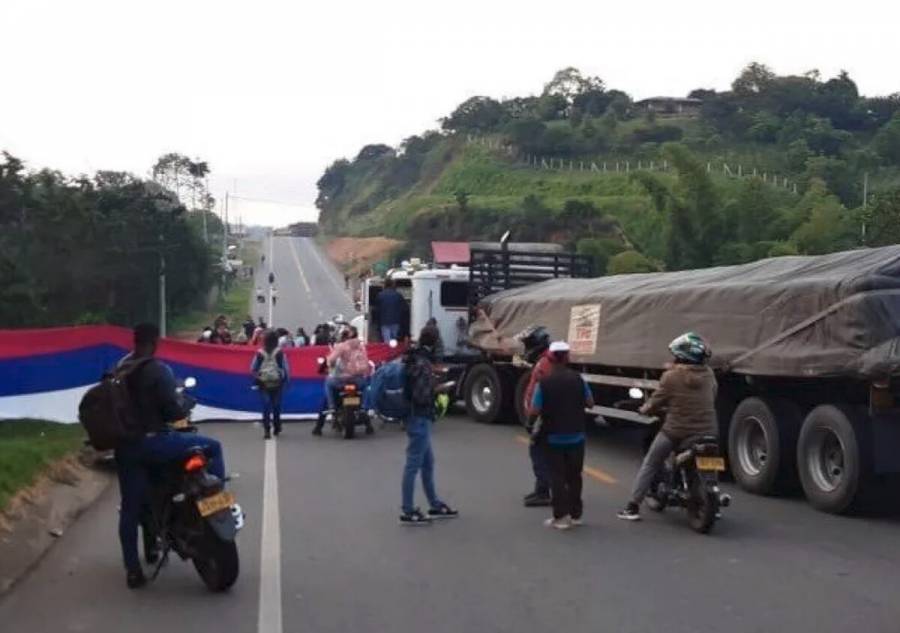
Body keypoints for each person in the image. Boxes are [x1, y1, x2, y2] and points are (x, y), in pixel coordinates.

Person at [114, 323, 226, 589]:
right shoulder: (157, 370)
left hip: (127, 449)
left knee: (129, 509)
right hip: (157, 443)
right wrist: (183, 406)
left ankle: (132, 570)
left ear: (134, 341)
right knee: (214, 446)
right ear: (154, 342)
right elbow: (173, 413)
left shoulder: (120, 369)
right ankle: (217, 503)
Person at [618, 332, 717, 522]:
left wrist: (644, 409)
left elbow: (655, 402)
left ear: (681, 356)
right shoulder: (709, 375)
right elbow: (713, 395)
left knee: (651, 462)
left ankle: (632, 506)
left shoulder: (671, 377)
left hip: (676, 430)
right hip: (708, 430)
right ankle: (713, 503)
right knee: (710, 465)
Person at [530, 341, 594, 530]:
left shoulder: (545, 383)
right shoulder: (578, 379)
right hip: (577, 436)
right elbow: (590, 403)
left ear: (550, 358)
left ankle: (560, 517)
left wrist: (531, 425)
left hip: (553, 437)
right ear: (567, 358)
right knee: (575, 477)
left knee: (556, 476)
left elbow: (535, 409)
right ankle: (576, 515)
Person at [399, 326, 458, 525]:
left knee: (427, 463)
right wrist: (439, 388)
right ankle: (408, 510)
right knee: (413, 466)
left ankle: (434, 503)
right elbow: (422, 395)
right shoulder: (423, 363)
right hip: (420, 417)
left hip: (413, 417)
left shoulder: (413, 358)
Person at [312, 326, 371, 435]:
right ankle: (364, 409)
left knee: (328, 384)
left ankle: (332, 408)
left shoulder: (341, 347)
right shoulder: (361, 346)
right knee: (365, 387)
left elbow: (331, 360)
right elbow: (366, 362)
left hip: (340, 380)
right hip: (357, 379)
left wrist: (329, 364)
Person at [520, 326, 553, 507]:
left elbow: (540, 393)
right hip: (548, 416)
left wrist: (532, 420)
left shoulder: (545, 363)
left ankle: (543, 491)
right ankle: (543, 489)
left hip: (543, 417)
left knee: (538, 452)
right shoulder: (547, 360)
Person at [250, 330, 291, 439]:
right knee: (276, 406)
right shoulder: (280, 353)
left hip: (263, 383)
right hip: (277, 383)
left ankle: (267, 430)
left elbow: (253, 368)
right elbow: (286, 368)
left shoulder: (259, 353)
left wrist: (257, 378)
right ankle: (277, 426)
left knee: (266, 407)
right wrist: (287, 381)